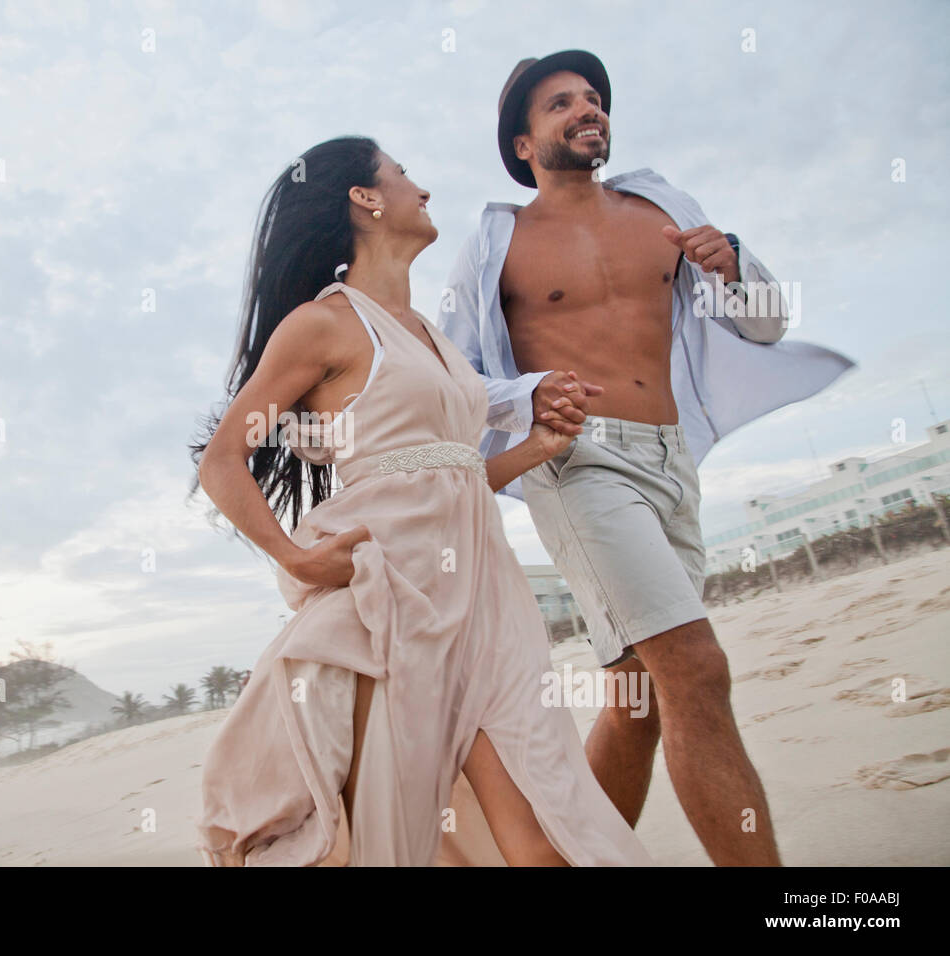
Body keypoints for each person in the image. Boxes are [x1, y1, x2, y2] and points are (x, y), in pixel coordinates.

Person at [438, 50, 856, 866]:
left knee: (639, 699)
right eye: (561, 104)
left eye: (593, 98)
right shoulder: (499, 244)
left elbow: (764, 326)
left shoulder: (658, 210)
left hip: (672, 462)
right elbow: (456, 377)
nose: (586, 110)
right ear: (524, 143)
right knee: (695, 667)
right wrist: (530, 394)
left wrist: (735, 261)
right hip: (580, 464)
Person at [189, 134, 654, 866]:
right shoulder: (322, 325)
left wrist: (535, 448)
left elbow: (450, 478)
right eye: (403, 175)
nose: (423, 189)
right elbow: (223, 460)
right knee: (392, 838)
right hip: (394, 606)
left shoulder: (430, 336)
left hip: (488, 606)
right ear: (365, 198)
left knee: (545, 828)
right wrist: (296, 558)